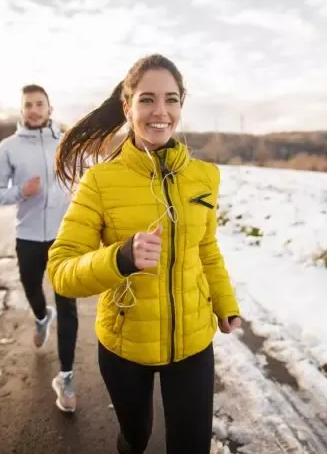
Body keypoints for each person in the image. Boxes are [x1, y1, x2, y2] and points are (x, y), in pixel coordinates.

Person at [47, 54, 242, 453]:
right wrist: (120, 257)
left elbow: (206, 248)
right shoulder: (100, 181)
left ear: (181, 105)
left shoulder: (205, 176)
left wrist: (225, 302)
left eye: (171, 99)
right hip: (125, 345)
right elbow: (61, 270)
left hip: (192, 343)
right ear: (127, 106)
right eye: (147, 99)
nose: (160, 112)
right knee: (136, 437)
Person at [0, 84, 78, 413]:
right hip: (27, 235)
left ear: (50, 108)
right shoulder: (8, 148)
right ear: (22, 110)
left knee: (68, 306)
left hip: (63, 237)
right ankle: (41, 317)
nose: (34, 109)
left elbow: (80, 178)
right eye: (28, 105)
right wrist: (21, 192)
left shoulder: (66, 143)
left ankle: (66, 377)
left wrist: (76, 192)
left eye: (40, 104)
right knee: (32, 289)